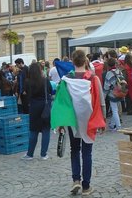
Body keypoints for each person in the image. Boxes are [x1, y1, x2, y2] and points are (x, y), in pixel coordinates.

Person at [53, 49, 106, 196]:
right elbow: (101, 101)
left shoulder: (65, 80)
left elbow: (61, 103)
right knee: (87, 152)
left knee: (74, 150)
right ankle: (86, 186)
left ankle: (76, 179)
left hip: (72, 119)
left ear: (72, 61)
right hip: (89, 117)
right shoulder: (93, 79)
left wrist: (61, 123)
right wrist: (102, 120)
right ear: (85, 61)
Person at [21, 62, 53, 160]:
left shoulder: (27, 81)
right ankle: (44, 154)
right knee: (46, 130)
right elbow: (51, 90)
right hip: (45, 106)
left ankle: (30, 154)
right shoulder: (45, 80)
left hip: (34, 107)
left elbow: (25, 93)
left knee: (33, 131)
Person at [103, 57, 125, 131]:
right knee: (115, 109)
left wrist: (103, 96)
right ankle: (112, 125)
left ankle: (118, 127)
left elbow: (106, 86)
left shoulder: (109, 73)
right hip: (120, 92)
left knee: (114, 110)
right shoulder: (119, 71)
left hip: (113, 94)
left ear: (108, 65)